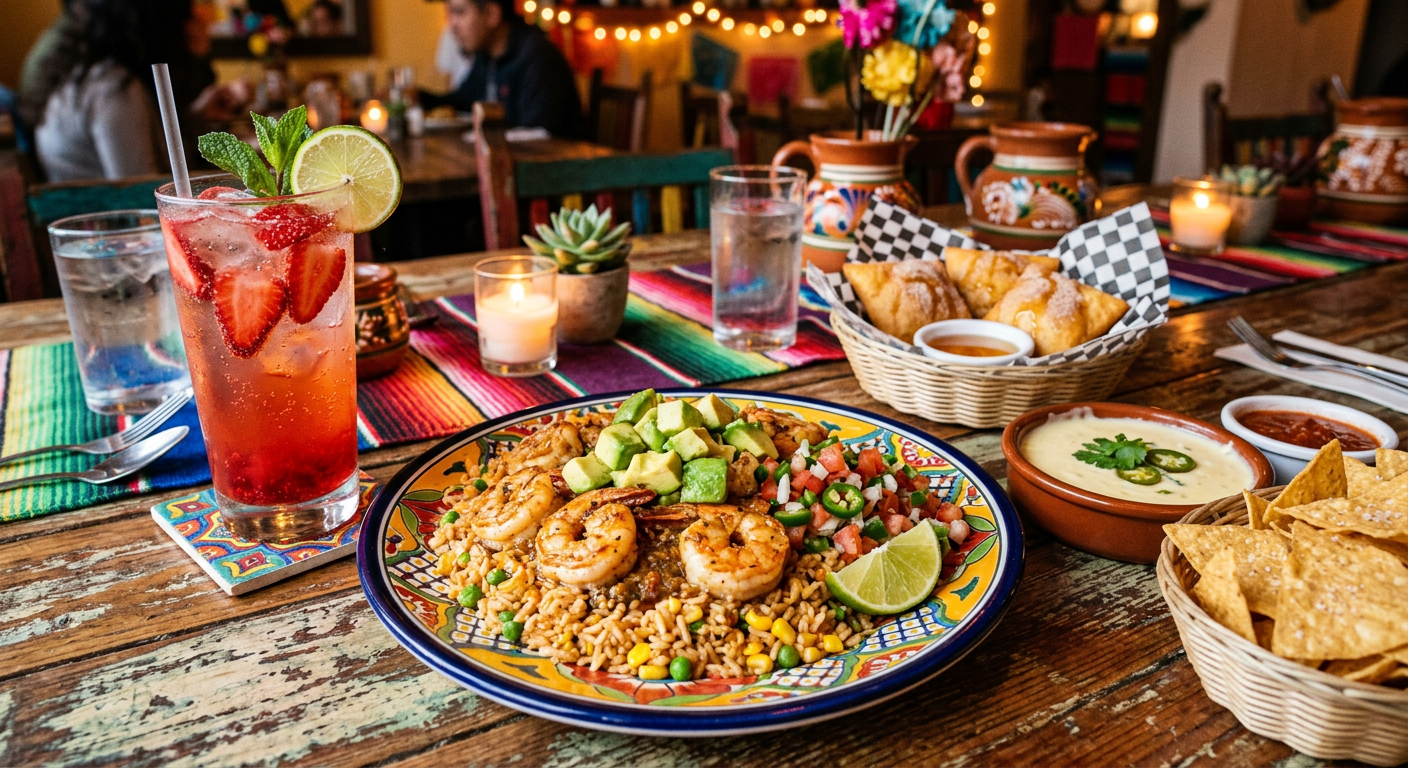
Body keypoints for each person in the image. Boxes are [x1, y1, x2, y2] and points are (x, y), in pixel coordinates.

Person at [19, 0, 245, 182]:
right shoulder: (114, 92)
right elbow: (142, 193)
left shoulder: (92, 78)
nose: (196, 18)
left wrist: (196, 117)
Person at [421, 0, 585, 138]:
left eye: (460, 12)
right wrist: (420, 98)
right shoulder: (486, 56)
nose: (452, 26)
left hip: (555, 171)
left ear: (492, 15)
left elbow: (536, 136)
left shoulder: (536, 57)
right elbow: (463, 102)